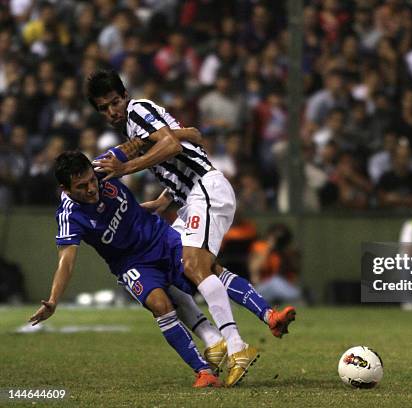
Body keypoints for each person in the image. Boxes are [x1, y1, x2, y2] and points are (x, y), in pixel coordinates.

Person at [85, 69, 287, 386]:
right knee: (180, 269)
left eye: (114, 102)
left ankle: (235, 346)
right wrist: (166, 198)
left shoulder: (137, 109)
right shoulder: (136, 125)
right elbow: (181, 142)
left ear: (124, 95)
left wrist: (125, 167)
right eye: (103, 107)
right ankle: (241, 328)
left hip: (204, 188)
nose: (111, 111)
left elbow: (171, 146)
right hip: (190, 195)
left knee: (194, 265)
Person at [29, 151, 296, 387]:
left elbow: (138, 144)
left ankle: (269, 315)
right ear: (65, 189)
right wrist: (53, 300)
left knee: (207, 268)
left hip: (159, 236)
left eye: (90, 180)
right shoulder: (69, 216)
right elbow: (67, 259)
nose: (91, 188)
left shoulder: (103, 167)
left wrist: (180, 137)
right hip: (130, 263)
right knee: (160, 304)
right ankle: (203, 371)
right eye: (81, 186)